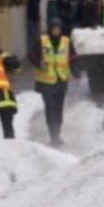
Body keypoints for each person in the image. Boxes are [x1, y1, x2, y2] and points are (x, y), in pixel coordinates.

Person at [35, 17, 77, 145]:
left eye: (58, 29)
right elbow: (32, 55)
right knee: (50, 108)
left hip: (61, 81)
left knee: (58, 109)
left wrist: (76, 72)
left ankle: (57, 134)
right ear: (50, 29)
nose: (56, 31)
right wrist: (38, 62)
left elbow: (73, 57)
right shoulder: (41, 40)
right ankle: (52, 134)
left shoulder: (66, 41)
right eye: (53, 29)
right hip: (46, 82)